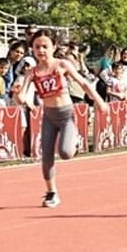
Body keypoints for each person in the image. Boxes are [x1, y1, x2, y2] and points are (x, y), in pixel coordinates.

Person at [16, 29, 109, 208]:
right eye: (37, 47)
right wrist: (20, 97)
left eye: (45, 46)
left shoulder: (62, 64)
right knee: (46, 156)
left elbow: (83, 83)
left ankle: (74, 140)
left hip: (66, 115)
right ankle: (51, 192)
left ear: (54, 47)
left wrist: (99, 102)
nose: (41, 50)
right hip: (48, 117)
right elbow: (23, 96)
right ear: (32, 48)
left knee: (65, 153)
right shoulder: (32, 72)